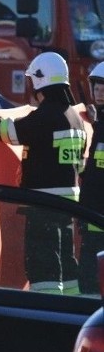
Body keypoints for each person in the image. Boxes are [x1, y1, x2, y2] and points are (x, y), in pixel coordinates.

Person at [0, 51, 86, 294]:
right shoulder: (75, 117)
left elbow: (7, 132)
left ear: (39, 81)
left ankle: (46, 313)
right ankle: (73, 309)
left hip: (43, 203)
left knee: (43, 264)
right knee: (66, 260)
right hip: (69, 206)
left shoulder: (46, 116)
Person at [79, 62, 104, 293]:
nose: (99, 93)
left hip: (98, 216)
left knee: (91, 282)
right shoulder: (100, 125)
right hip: (91, 214)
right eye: (97, 87)